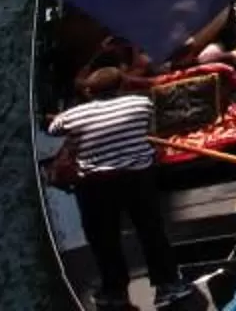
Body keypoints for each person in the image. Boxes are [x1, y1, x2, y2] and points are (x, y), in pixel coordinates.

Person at [46, 66, 196, 308]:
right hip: (138, 179)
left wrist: (67, 118)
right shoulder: (141, 104)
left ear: (90, 92)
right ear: (121, 87)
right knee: (151, 231)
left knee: (104, 239)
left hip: (96, 186)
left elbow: (53, 129)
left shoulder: (72, 116)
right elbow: (150, 130)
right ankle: (167, 285)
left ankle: (115, 292)